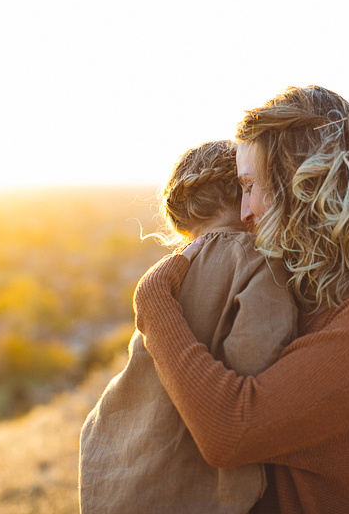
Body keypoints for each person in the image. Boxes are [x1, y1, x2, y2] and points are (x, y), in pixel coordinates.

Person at [133, 86, 349, 514]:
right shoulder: (282, 286)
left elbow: (231, 431)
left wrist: (154, 300)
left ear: (301, 184)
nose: (244, 212)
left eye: (250, 186)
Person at [79, 140, 298, 514]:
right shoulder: (261, 265)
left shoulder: (169, 271)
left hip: (120, 473)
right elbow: (256, 362)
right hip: (199, 492)